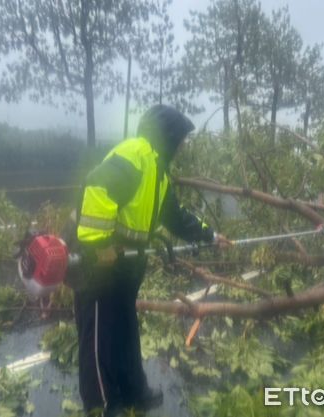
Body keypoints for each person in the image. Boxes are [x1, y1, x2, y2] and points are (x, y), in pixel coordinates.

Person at [72, 104, 229, 416]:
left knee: (125, 327)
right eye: (182, 138)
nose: (184, 146)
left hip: (127, 263)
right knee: (99, 334)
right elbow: (97, 186)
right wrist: (99, 245)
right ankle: (102, 404)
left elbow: (174, 216)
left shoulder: (159, 172)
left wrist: (210, 236)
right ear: (169, 136)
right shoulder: (135, 153)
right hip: (100, 262)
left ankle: (133, 389)